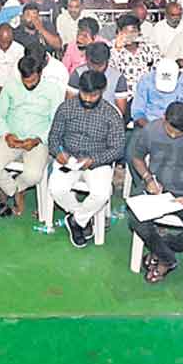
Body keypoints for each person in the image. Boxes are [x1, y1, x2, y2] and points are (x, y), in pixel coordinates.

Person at [128, 101, 183, 283]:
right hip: (158, 190)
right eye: (170, 130)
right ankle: (167, 259)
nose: (173, 135)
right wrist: (148, 179)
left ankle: (162, 246)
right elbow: (136, 157)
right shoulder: (151, 130)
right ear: (164, 119)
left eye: (179, 133)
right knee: (135, 219)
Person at [48, 70, 126, 248]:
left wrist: (94, 160)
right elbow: (53, 137)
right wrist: (58, 153)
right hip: (69, 159)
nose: (89, 99)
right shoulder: (66, 108)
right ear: (79, 90)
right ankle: (82, 218)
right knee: (56, 189)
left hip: (97, 161)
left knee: (102, 193)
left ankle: (77, 221)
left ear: (102, 91)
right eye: (85, 94)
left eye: (94, 95)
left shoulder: (111, 114)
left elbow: (117, 149)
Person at [0, 54, 64, 222]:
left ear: (40, 74)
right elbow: (0, 117)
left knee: (34, 175)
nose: (28, 84)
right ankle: (14, 190)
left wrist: (37, 139)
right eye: (25, 81)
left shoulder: (53, 90)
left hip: (37, 141)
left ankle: (16, 188)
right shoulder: (10, 87)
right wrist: (6, 134)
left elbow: (56, 122)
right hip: (12, 138)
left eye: (32, 81)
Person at [67, 41, 130, 117]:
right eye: (92, 65)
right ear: (87, 59)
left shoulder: (118, 78)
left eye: (100, 65)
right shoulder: (77, 74)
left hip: (107, 120)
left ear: (107, 60)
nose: (96, 68)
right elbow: (69, 104)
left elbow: (120, 112)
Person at [110, 14, 162, 94]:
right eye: (126, 32)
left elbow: (159, 69)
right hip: (124, 96)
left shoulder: (150, 47)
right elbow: (111, 73)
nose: (130, 35)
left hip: (148, 93)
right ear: (119, 32)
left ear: (139, 32)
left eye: (133, 32)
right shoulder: (111, 49)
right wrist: (117, 50)